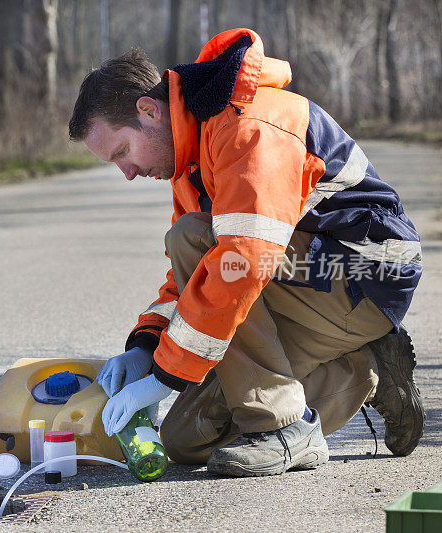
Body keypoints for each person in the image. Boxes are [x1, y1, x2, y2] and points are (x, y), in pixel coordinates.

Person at [68, 28, 425, 477]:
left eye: (122, 151)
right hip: (304, 283)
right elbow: (188, 280)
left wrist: (163, 378)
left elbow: (243, 259)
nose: (128, 173)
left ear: (148, 110)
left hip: (363, 274)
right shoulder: (189, 161)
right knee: (188, 437)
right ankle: (366, 369)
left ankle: (285, 429)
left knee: (194, 239)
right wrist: (146, 347)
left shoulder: (248, 125)